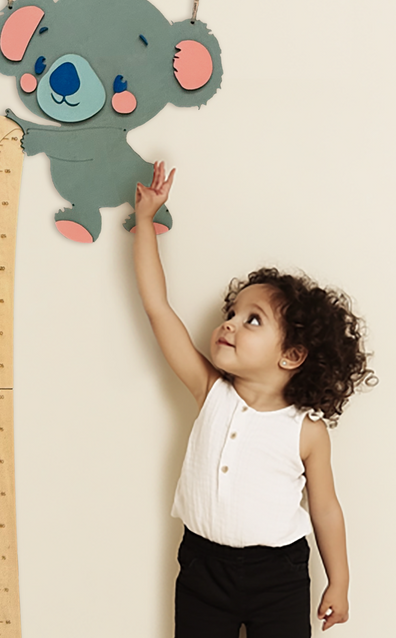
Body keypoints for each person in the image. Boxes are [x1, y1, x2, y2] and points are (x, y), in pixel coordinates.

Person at [133, 161, 375, 637]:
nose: (230, 323)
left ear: (292, 354)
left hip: (279, 576)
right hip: (203, 567)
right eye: (233, 312)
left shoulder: (306, 430)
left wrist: (340, 581)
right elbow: (158, 308)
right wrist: (145, 222)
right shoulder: (211, 390)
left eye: (253, 320)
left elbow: (325, 508)